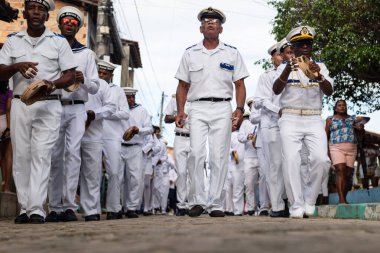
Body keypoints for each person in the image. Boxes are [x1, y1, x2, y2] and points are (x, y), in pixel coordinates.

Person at [0, 0, 76, 224]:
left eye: (41, 9)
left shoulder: (58, 42)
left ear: (47, 15)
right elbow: (1, 71)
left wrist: (53, 83)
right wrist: (17, 66)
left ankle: (36, 210)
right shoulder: (13, 41)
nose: (36, 12)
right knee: (22, 156)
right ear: (24, 12)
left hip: (49, 104)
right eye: (32, 8)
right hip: (20, 104)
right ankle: (24, 208)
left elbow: (70, 75)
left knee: (41, 155)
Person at [175, 7, 249, 217]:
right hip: (196, 107)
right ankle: (197, 201)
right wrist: (181, 110)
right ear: (201, 28)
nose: (210, 23)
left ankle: (215, 203)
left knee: (218, 156)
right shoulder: (190, 53)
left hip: (222, 108)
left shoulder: (232, 53)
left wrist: (240, 109)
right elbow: (182, 86)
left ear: (221, 28)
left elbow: (240, 85)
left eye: (214, 21)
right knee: (196, 154)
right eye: (206, 21)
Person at [273, 25, 333, 218]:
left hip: (314, 117)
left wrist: (319, 75)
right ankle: (296, 205)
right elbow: (275, 90)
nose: (306, 46)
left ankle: (309, 199)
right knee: (291, 160)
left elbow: (329, 90)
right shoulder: (284, 67)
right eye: (301, 43)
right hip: (290, 118)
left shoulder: (320, 65)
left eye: (309, 43)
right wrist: (286, 72)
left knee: (321, 160)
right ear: (294, 46)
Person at [47, 6, 100, 222]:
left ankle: (69, 206)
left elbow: (96, 87)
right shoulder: (51, 50)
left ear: (78, 27)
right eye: (66, 21)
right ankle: (54, 207)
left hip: (78, 107)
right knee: (54, 156)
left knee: (72, 154)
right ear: (59, 25)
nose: (69, 24)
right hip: (54, 105)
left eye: (74, 22)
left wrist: (83, 79)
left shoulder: (86, 54)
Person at [253, 42, 288, 217]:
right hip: (271, 123)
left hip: (291, 122)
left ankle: (293, 200)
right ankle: (277, 205)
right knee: (275, 165)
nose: (282, 57)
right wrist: (279, 110)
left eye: (286, 53)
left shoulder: (298, 71)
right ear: (273, 57)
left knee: (295, 162)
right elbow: (261, 101)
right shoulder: (266, 76)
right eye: (279, 54)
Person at [80, 76, 116, 221]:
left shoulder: (102, 85)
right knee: (66, 168)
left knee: (92, 173)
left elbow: (111, 107)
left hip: (93, 133)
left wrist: (94, 114)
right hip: (70, 129)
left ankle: (91, 210)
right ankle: (62, 208)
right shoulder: (68, 77)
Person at [98, 60, 130, 220]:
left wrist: (106, 113)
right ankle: (93, 209)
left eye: (104, 73)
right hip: (93, 133)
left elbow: (125, 113)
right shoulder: (93, 87)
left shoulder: (118, 91)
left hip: (112, 135)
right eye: (99, 73)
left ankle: (113, 208)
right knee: (92, 172)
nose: (101, 75)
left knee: (115, 172)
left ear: (111, 75)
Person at [121, 87, 153, 218]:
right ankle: (118, 207)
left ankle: (132, 207)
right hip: (119, 146)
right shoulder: (119, 110)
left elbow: (150, 128)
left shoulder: (142, 110)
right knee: (118, 178)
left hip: (135, 147)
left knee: (136, 179)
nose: (131, 99)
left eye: (132, 97)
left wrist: (138, 130)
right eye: (128, 97)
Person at [325, 99, 365, 203]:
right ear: (335, 108)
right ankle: (341, 199)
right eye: (339, 105)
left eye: (344, 105)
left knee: (348, 175)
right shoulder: (330, 119)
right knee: (340, 170)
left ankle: (344, 197)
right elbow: (326, 136)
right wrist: (326, 150)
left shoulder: (353, 119)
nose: (342, 107)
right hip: (335, 147)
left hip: (352, 148)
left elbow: (361, 135)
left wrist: (361, 129)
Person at [164, 94, 191, 216]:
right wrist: (177, 117)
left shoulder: (199, 99)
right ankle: (181, 205)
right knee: (181, 172)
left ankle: (192, 203)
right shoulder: (175, 99)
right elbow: (166, 118)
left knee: (193, 172)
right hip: (180, 137)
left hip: (195, 138)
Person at [238, 109, 260, 215]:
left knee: (265, 182)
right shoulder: (245, 124)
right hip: (249, 158)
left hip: (262, 156)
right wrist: (248, 137)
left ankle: (264, 207)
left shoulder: (262, 119)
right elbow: (240, 137)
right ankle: (251, 207)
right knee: (249, 184)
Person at [0, 80, 13, 193]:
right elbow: (9, 109)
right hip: (4, 121)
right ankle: (6, 187)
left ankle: (2, 182)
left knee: (1, 158)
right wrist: (9, 128)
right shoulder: (9, 93)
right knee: (8, 155)